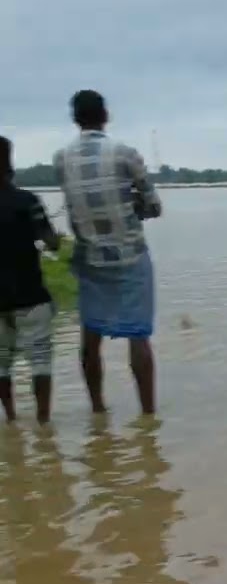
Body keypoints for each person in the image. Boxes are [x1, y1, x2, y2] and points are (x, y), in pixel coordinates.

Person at [54, 90, 163, 415]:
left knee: (90, 336)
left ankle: (98, 409)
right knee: (139, 336)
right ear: (106, 115)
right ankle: (148, 415)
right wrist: (135, 207)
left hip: (89, 259)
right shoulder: (125, 154)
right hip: (129, 255)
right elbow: (154, 207)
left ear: (75, 119)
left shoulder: (61, 158)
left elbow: (75, 206)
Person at [1, 136, 62, 423]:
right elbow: (51, 243)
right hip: (31, 295)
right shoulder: (28, 201)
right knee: (40, 361)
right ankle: (43, 421)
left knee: (1, 365)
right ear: (10, 167)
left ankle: (11, 418)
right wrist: (54, 239)